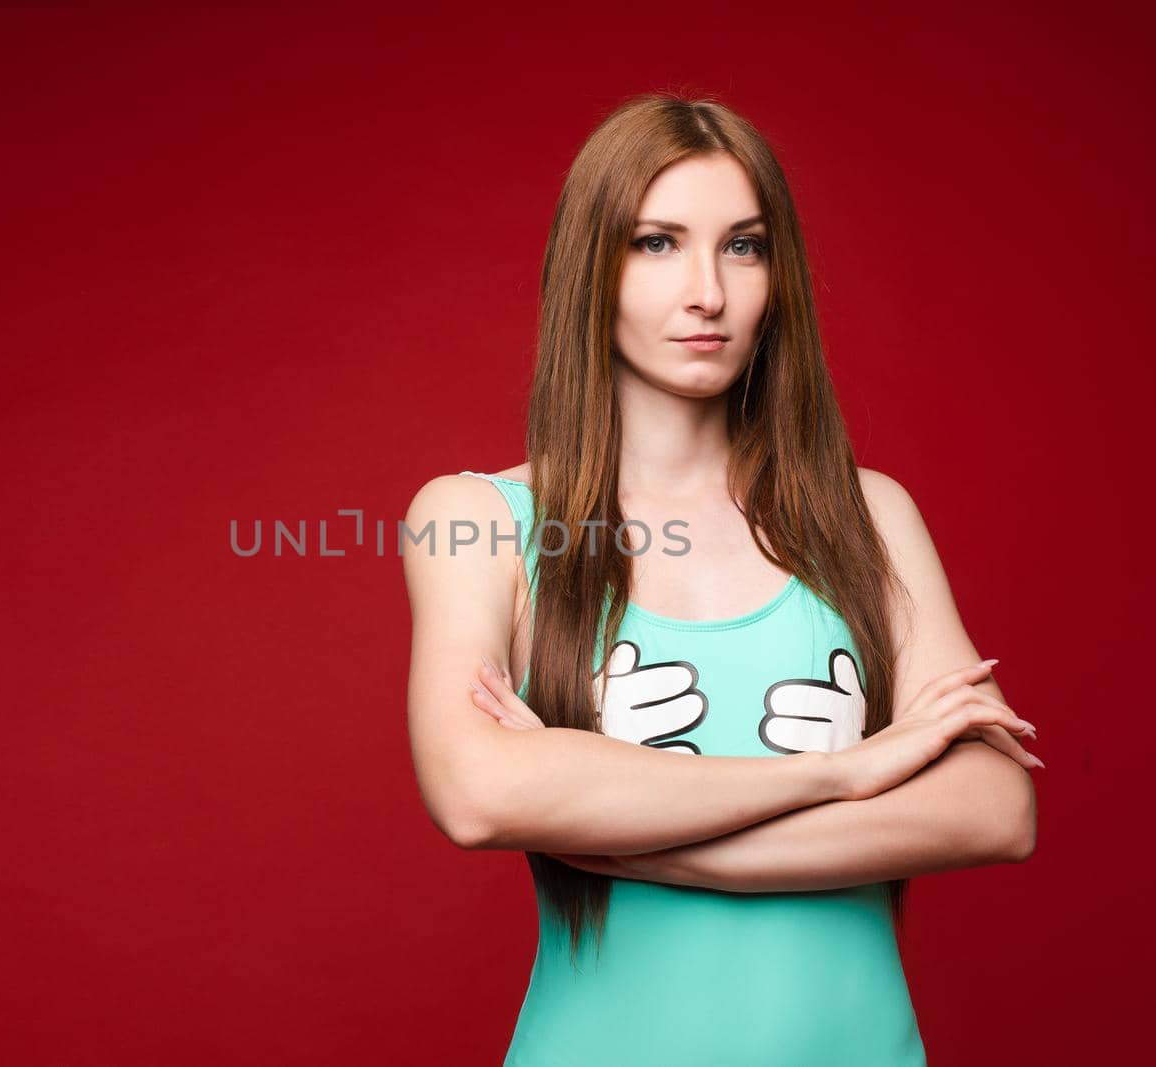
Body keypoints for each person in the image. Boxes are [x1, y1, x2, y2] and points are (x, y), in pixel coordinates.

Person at [400, 93, 1041, 1066]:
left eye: (742, 245)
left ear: (776, 275)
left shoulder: (867, 516)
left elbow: (994, 807)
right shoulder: (474, 519)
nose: (706, 290)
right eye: (657, 243)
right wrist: (842, 769)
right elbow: (479, 790)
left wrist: (630, 834)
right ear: (591, 267)